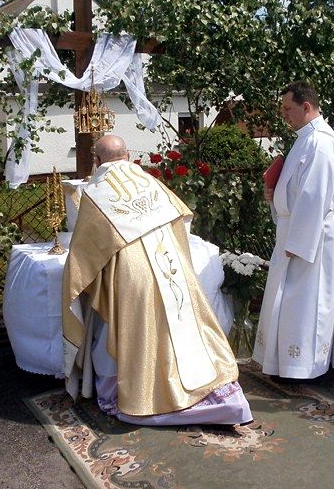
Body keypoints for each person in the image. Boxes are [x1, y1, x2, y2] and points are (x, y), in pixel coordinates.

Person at [62, 134, 252, 425]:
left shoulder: (95, 193)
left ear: (97, 161)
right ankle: (216, 397)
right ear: (127, 156)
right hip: (171, 265)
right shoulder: (151, 182)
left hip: (131, 276)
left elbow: (83, 257)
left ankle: (135, 393)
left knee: (125, 329)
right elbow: (182, 218)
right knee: (180, 324)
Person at [253, 81, 334, 380]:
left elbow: (315, 195)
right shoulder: (304, 139)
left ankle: (311, 365)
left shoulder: (321, 142)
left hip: (312, 236)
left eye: (287, 109)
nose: (284, 115)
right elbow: (297, 188)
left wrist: (299, 241)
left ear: (306, 106)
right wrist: (275, 195)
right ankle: (287, 363)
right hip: (295, 230)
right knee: (292, 301)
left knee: (311, 302)